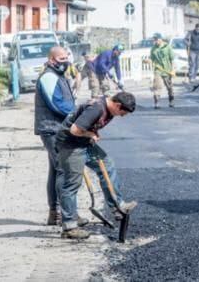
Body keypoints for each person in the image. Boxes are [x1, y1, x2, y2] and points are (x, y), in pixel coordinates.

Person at [54, 91, 137, 240]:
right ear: (118, 105)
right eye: (123, 113)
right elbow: (75, 130)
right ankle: (69, 226)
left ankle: (117, 206)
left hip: (83, 142)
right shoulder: (97, 108)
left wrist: (91, 134)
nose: (122, 116)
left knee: (107, 164)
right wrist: (90, 135)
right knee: (72, 183)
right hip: (70, 145)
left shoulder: (109, 109)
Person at [34, 46, 76, 226]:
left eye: (66, 58)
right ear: (51, 60)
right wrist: (77, 115)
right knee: (63, 170)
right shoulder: (49, 76)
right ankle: (65, 213)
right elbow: (57, 104)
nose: (64, 62)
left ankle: (55, 212)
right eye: (60, 59)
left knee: (55, 170)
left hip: (58, 128)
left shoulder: (59, 75)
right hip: (51, 129)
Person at [149, 34, 175, 109]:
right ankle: (156, 103)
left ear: (160, 39)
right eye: (154, 40)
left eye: (156, 40)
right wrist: (148, 61)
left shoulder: (167, 47)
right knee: (157, 86)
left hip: (167, 70)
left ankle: (171, 101)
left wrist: (173, 70)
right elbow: (152, 59)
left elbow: (172, 59)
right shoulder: (153, 49)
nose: (155, 42)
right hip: (158, 70)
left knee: (169, 87)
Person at [185, 23, 199, 91]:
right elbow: (185, 40)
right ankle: (191, 77)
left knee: (197, 65)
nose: (198, 29)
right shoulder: (191, 33)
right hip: (192, 50)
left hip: (198, 51)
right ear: (195, 28)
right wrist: (187, 43)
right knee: (192, 64)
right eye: (197, 28)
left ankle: (194, 77)